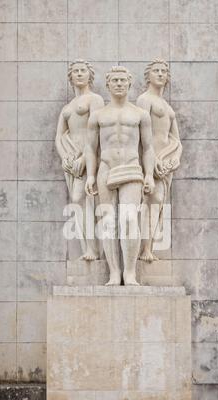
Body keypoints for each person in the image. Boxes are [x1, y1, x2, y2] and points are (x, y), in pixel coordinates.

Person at [85, 66, 155, 285]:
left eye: (122, 80)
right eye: (114, 80)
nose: (118, 84)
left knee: (129, 219)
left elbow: (149, 147)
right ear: (108, 84)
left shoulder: (140, 114)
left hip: (131, 166)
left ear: (129, 83)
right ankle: (114, 272)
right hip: (105, 167)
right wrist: (89, 175)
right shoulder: (97, 115)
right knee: (107, 221)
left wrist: (150, 174)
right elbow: (89, 147)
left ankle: (130, 272)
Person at [55, 60, 104, 260]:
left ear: (89, 74)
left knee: (85, 201)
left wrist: (85, 157)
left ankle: (95, 249)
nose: (79, 74)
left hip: (89, 158)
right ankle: (89, 248)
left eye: (83, 70)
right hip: (71, 161)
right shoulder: (67, 107)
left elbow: (98, 131)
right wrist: (65, 156)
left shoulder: (95, 100)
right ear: (71, 76)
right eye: (75, 71)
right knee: (80, 204)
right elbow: (59, 136)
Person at [137, 59, 182, 262]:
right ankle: (143, 248)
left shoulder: (166, 105)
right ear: (148, 75)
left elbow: (176, 139)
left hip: (166, 163)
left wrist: (175, 158)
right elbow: (141, 136)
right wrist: (152, 160)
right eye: (156, 70)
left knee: (158, 204)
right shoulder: (144, 100)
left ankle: (149, 246)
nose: (161, 74)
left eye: (164, 71)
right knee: (148, 202)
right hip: (150, 162)